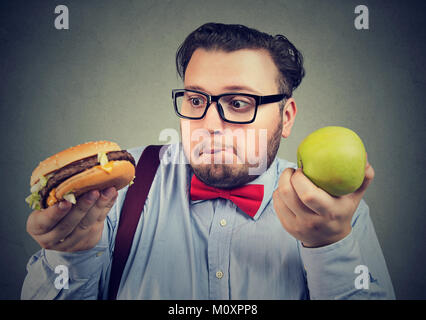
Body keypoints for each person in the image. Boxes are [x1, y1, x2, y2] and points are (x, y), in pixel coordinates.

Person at [21, 22, 395, 299]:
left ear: (287, 117)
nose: (209, 124)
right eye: (196, 100)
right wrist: (72, 257)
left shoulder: (330, 210)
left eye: (238, 103)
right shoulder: (112, 190)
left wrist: (329, 248)